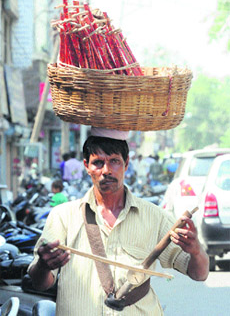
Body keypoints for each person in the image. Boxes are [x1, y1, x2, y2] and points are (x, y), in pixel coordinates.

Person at [28, 128, 209, 316]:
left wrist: (195, 250)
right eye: (98, 163)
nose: (106, 170)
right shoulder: (62, 216)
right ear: (86, 166)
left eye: (114, 161)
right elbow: (41, 283)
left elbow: (199, 274)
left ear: (126, 163)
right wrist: (43, 266)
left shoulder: (155, 216)